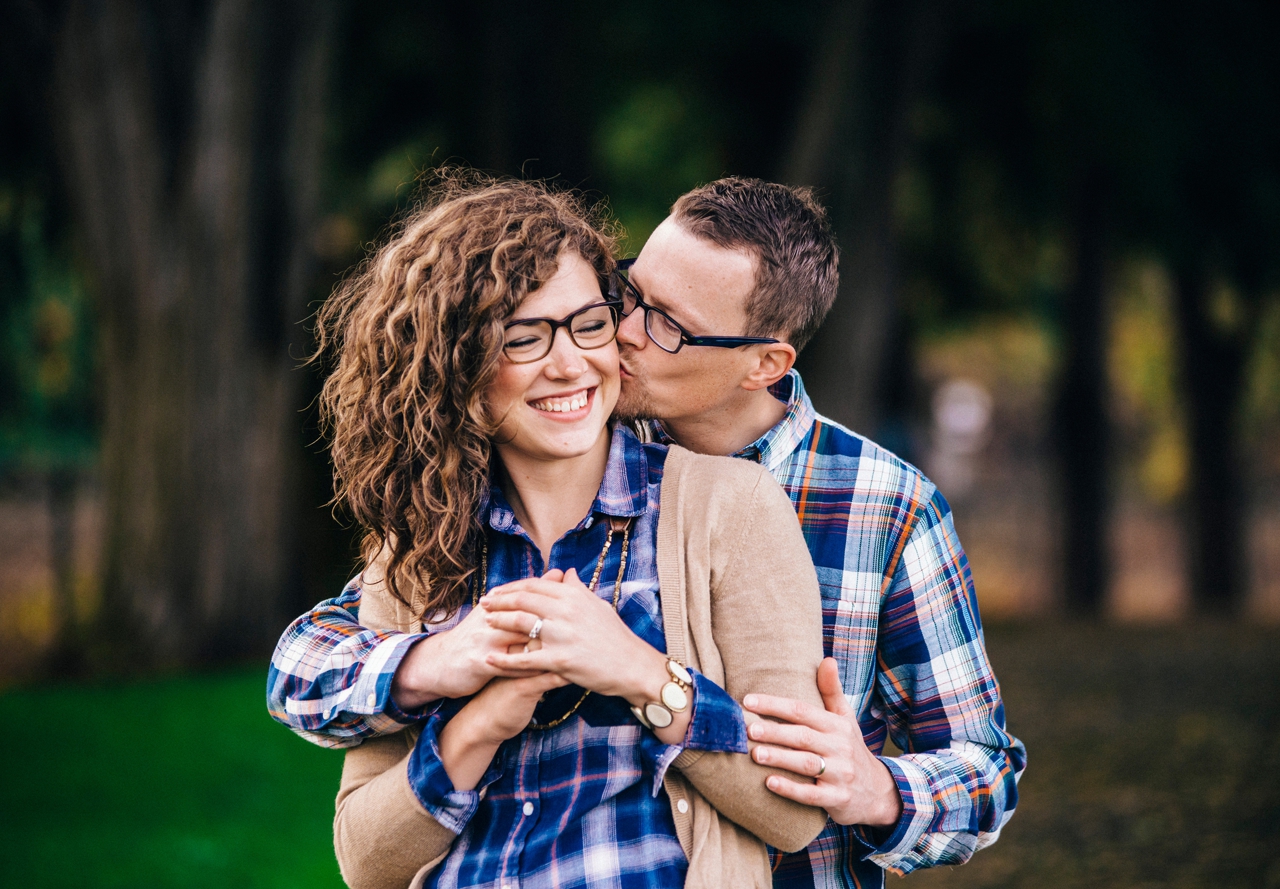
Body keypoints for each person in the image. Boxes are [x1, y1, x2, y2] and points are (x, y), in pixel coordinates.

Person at [269, 177, 1027, 888]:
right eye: (628, 294)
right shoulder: (550, 449)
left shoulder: (878, 505)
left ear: (763, 364)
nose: (620, 335)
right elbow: (318, 655)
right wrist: (438, 669)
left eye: (666, 325)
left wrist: (878, 788)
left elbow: (983, 769)